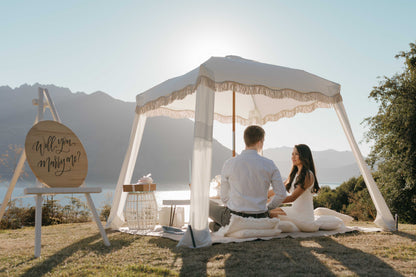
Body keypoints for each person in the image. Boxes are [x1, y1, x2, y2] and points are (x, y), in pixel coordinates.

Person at [209, 125, 287, 232]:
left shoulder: (229, 163)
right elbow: (282, 194)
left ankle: (219, 227)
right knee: (216, 221)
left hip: (234, 217)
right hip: (261, 217)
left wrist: (234, 205)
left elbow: (224, 197)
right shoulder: (269, 164)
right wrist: (268, 208)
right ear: (260, 141)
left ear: (245, 140)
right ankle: (220, 227)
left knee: (207, 205)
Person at [268, 144, 321, 231]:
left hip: (304, 216)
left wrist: (272, 201)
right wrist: (262, 196)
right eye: (292, 154)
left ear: (303, 156)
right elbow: (278, 188)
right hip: (294, 211)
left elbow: (292, 198)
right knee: (265, 212)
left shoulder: (307, 175)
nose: (293, 157)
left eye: (296, 154)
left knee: (269, 213)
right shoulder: (294, 175)